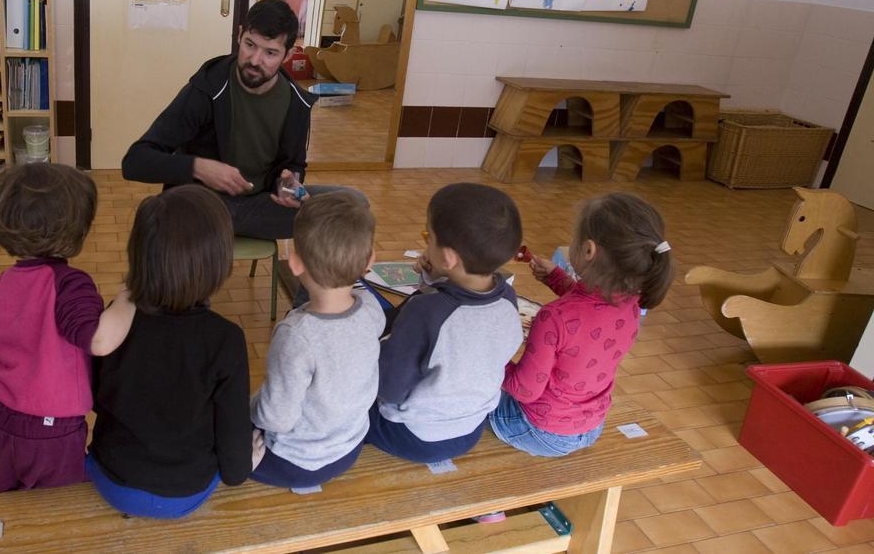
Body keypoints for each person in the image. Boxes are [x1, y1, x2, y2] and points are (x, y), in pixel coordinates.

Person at [120, 0, 359, 242]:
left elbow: (294, 165)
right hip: (204, 203)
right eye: (250, 45)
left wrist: (288, 185)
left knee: (353, 204)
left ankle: (310, 276)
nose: (255, 60)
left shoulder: (296, 103)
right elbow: (135, 162)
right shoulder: (207, 88)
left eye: (270, 53)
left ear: (287, 55)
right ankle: (211, 227)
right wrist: (199, 168)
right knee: (182, 210)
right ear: (239, 34)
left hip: (258, 203)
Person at [87, 185, 251, 519]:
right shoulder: (226, 339)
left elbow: (93, 396)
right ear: (218, 262)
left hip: (108, 477)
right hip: (183, 493)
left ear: (139, 254)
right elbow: (235, 460)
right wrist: (246, 465)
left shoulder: (115, 321)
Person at [0, 164, 129, 493]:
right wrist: (131, 294)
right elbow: (99, 341)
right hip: (51, 432)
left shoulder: (1, 283)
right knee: (58, 511)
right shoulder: (69, 284)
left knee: (2, 505)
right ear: (76, 230)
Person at [491, 193, 674, 457]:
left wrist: (492, 355)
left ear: (588, 250)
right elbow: (589, 315)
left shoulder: (553, 318)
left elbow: (524, 389)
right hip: (589, 427)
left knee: (469, 397)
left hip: (537, 429)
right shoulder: (632, 305)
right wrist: (557, 279)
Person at [367, 183, 523, 465]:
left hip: (412, 435)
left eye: (429, 236)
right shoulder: (508, 299)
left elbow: (390, 388)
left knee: (346, 396)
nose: (426, 245)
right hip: (471, 429)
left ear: (449, 258)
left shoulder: (426, 311)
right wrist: (431, 281)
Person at [250, 192, 384, 489]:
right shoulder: (372, 309)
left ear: (295, 263)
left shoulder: (296, 335)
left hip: (295, 463)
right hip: (349, 449)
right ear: (370, 261)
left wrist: (249, 410)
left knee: (219, 425)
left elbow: (276, 419)